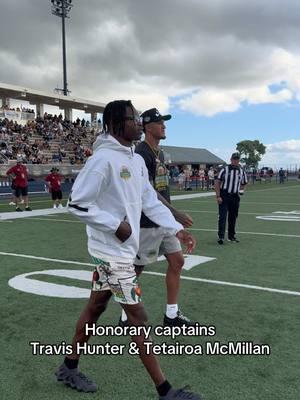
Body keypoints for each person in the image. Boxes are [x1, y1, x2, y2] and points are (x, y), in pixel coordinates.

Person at [55, 100, 201, 400]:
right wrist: (114, 224)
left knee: (95, 308)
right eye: (132, 118)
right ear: (115, 124)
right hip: (110, 253)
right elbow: (78, 204)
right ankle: (166, 391)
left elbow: (149, 200)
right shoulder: (103, 160)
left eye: (136, 118)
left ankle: (68, 366)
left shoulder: (134, 160)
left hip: (121, 252)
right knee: (138, 317)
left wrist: (176, 229)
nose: (137, 122)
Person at [119, 107, 195, 328]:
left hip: (163, 220)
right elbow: (147, 193)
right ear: (147, 126)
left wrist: (171, 217)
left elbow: (160, 189)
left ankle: (171, 315)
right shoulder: (141, 153)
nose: (164, 126)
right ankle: (125, 317)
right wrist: (175, 213)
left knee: (177, 261)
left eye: (164, 122)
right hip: (146, 221)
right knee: (136, 270)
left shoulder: (159, 153)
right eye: (160, 122)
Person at [215, 152, 247, 244]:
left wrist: (241, 191)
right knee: (222, 217)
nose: (235, 161)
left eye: (237, 159)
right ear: (231, 159)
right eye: (234, 159)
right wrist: (218, 196)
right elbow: (217, 182)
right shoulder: (224, 169)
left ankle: (231, 236)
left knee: (233, 217)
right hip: (224, 195)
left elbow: (244, 182)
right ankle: (221, 236)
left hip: (235, 196)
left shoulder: (241, 170)